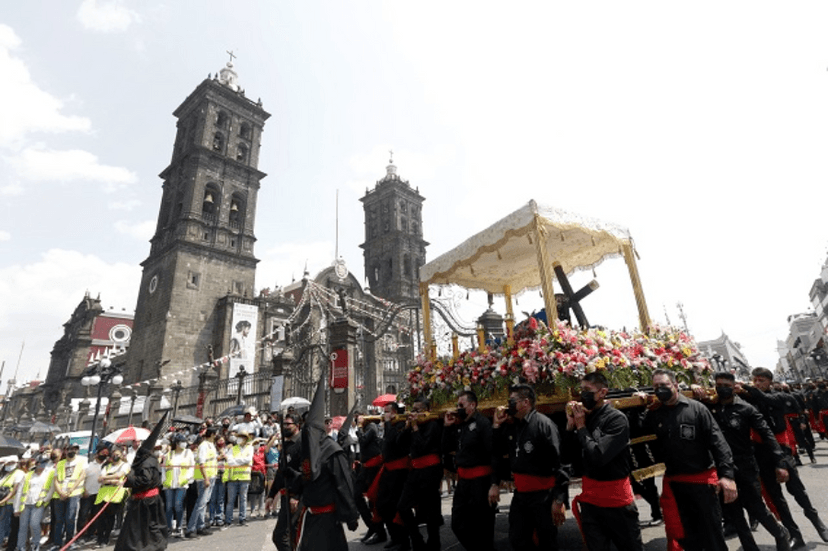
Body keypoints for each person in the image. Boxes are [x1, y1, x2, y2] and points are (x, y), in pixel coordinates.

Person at [637, 368, 737, 551]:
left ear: (675, 385)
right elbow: (638, 429)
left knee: (712, 537)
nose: (660, 390)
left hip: (702, 484)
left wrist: (727, 476)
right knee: (686, 538)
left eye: (664, 385)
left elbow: (718, 444)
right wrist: (641, 405)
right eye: (656, 387)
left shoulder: (696, 409)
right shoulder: (655, 413)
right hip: (676, 486)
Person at [693, 372, 792, 551]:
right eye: (718, 384)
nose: (722, 388)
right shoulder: (709, 407)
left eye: (726, 385)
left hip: (745, 465)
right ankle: (749, 547)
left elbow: (767, 435)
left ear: (733, 387)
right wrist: (695, 389)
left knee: (756, 507)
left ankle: (780, 533)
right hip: (723, 468)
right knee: (734, 512)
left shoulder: (746, 409)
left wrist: (780, 461)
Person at [741, 367, 828, 547]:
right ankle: (794, 534)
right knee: (776, 495)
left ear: (770, 382)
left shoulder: (779, 396)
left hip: (781, 449)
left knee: (796, 489)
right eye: (755, 380)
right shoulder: (747, 399)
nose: (758, 384)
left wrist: (749, 389)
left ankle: (817, 522)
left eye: (762, 380)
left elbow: (765, 399)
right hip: (760, 450)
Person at [566, 372, 642, 551]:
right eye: (581, 390)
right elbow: (567, 456)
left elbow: (598, 456)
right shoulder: (583, 418)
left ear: (602, 392)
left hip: (617, 503)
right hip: (591, 503)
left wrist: (581, 427)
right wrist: (570, 427)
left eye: (587, 390)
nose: (582, 394)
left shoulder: (616, 419)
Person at [492, 384, 568, 551]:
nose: (508, 405)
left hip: (543, 495)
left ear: (525, 402)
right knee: (517, 538)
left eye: (512, 401)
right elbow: (497, 451)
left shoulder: (544, 424)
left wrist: (559, 499)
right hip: (521, 495)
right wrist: (497, 426)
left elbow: (560, 463)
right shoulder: (513, 425)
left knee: (546, 541)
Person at [293, 376, 359, 550]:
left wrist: (351, 515)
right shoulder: (309, 448)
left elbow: (343, 484)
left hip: (328, 520)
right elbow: (309, 477)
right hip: (311, 516)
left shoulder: (332, 450)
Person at [442, 390, 497, 551]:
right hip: (464, 483)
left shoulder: (482, 424)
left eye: (461, 405)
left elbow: (493, 454)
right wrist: (446, 426)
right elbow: (445, 448)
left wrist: (494, 483)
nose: (458, 408)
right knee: (458, 524)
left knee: (483, 529)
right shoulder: (460, 425)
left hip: (481, 483)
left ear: (472, 405)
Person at [114, 413, 169, 551]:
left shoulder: (147, 461)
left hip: (146, 501)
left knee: (144, 529)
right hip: (145, 500)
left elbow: (145, 479)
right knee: (145, 529)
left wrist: (129, 478)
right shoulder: (149, 460)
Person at [398, 397, 443, 551]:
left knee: (431, 511)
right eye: (413, 410)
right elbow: (400, 444)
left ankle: (434, 543)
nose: (414, 413)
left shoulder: (433, 424)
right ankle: (416, 538)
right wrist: (406, 427)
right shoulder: (413, 425)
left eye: (418, 410)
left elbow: (423, 446)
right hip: (415, 470)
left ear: (426, 410)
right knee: (403, 506)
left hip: (430, 470)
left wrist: (416, 428)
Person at [376, 402, 410, 550]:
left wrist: (388, 424)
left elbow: (393, 441)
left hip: (399, 470)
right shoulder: (389, 425)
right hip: (388, 470)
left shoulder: (400, 424)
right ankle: (394, 536)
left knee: (396, 506)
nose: (384, 414)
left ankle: (404, 540)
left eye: (387, 411)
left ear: (394, 412)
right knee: (382, 505)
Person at [268, 413, 302, 551]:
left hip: (297, 497)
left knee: (281, 536)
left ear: (297, 425)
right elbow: (281, 473)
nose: (285, 427)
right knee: (289, 536)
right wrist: (271, 494)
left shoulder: (302, 444)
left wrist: (296, 496)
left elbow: (305, 474)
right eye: (284, 424)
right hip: (285, 496)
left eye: (288, 424)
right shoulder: (286, 444)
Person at [353, 412, 386, 545]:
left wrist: (360, 428)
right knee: (357, 495)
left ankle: (379, 531)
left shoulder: (371, 426)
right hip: (365, 467)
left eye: (359, 418)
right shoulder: (366, 429)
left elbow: (363, 441)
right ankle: (372, 527)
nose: (357, 420)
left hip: (374, 467)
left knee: (374, 500)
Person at [51, 443, 87, 551]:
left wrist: (71, 489)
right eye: (69, 449)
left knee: (70, 519)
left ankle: (70, 542)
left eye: (74, 449)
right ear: (65, 451)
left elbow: (83, 475)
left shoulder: (82, 460)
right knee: (59, 520)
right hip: (60, 494)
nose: (72, 451)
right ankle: (57, 543)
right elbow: (56, 480)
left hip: (74, 493)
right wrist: (60, 492)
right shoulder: (60, 463)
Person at [186, 426, 218, 538]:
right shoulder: (204, 446)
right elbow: (202, 463)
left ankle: (200, 526)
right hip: (205, 478)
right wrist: (206, 478)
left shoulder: (211, 445)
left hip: (211, 476)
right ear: (213, 434)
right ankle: (190, 529)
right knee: (200, 504)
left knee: (203, 504)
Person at [95, 447, 130, 548]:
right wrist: (113, 481)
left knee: (110, 518)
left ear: (122, 456)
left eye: (118, 454)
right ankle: (100, 538)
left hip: (115, 495)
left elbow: (120, 475)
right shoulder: (107, 466)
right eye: (114, 454)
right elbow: (99, 479)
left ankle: (106, 538)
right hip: (103, 494)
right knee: (101, 518)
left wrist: (105, 478)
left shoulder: (125, 465)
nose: (116, 456)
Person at [162, 432, 194, 537]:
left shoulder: (188, 453)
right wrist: (164, 481)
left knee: (178, 506)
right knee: (169, 507)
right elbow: (164, 469)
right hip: (169, 484)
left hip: (182, 483)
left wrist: (188, 479)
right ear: (176, 443)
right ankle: (169, 527)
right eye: (182, 442)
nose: (184, 444)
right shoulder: (168, 455)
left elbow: (191, 467)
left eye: (185, 442)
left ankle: (179, 527)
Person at [223, 430, 253, 527]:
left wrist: (236, 461)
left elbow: (248, 460)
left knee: (243, 499)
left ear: (246, 438)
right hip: (233, 478)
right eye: (239, 437)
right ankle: (228, 520)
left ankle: (242, 518)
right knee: (230, 500)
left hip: (244, 477)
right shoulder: (233, 448)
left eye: (242, 437)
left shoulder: (250, 448)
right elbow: (230, 462)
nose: (240, 439)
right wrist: (241, 461)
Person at [77, 448, 105, 546]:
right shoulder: (89, 465)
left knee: (95, 516)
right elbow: (82, 479)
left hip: (99, 494)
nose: (104, 455)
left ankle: (90, 534)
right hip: (87, 494)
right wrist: (84, 490)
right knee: (83, 515)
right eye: (102, 453)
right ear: (96, 454)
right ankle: (79, 536)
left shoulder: (106, 466)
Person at [208, 436, 227, 527]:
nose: (221, 442)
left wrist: (224, 455)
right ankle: (211, 518)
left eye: (222, 440)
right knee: (212, 499)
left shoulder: (226, 450)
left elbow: (229, 460)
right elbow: (212, 460)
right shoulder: (212, 450)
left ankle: (219, 518)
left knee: (220, 499)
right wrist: (219, 457)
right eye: (219, 440)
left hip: (223, 476)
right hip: (214, 476)